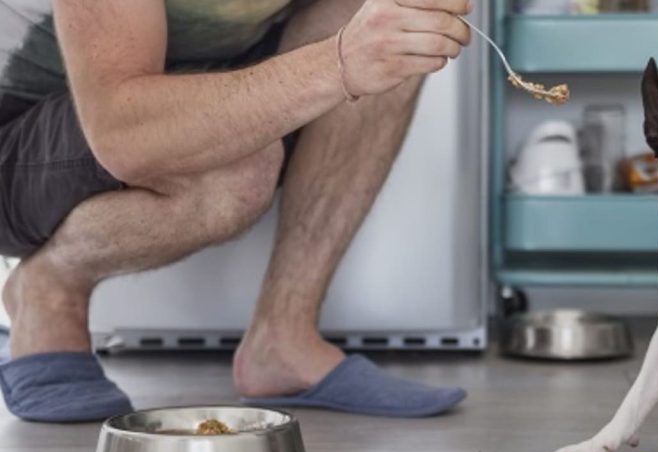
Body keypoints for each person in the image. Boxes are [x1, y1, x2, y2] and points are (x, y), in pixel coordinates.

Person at [0, 0, 472, 422]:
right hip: (24, 130)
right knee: (234, 170)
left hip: (178, 81)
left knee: (397, 29)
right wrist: (341, 61)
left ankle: (283, 337)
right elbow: (123, 132)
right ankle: (51, 286)